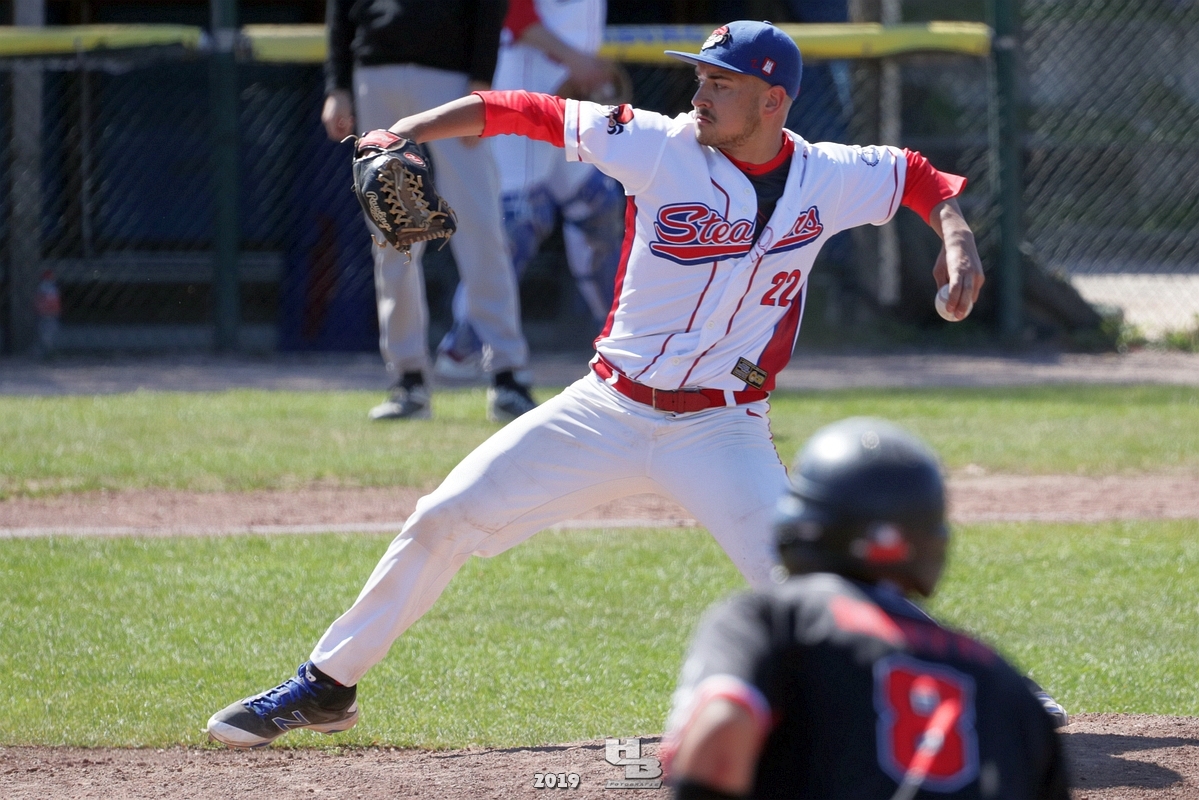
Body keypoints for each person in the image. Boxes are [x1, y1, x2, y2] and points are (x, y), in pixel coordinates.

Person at [205, 20, 986, 748]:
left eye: (721, 83)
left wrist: (957, 242)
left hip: (722, 429)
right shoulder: (656, 145)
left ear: (772, 100)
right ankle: (327, 685)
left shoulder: (828, 175)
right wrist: (405, 130)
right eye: (701, 78)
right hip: (606, 409)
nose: (700, 94)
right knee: (443, 518)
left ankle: (964, 693)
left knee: (814, 581)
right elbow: (522, 110)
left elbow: (917, 177)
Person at [662, 417, 1071, 800]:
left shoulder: (774, 621)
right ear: (930, 543)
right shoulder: (1003, 682)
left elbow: (722, 731)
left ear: (802, 523)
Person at [321, 0, 538, 422]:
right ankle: (408, 380)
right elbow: (340, 8)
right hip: (375, 74)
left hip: (451, 78)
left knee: (481, 227)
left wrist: (482, 83)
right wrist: (337, 85)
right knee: (393, 236)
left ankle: (508, 375)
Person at [434, 0, 628, 380]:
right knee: (520, 219)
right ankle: (463, 345)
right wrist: (575, 58)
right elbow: (513, 11)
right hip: (527, 78)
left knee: (597, 206)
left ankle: (622, 344)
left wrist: (581, 62)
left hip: (575, 89)